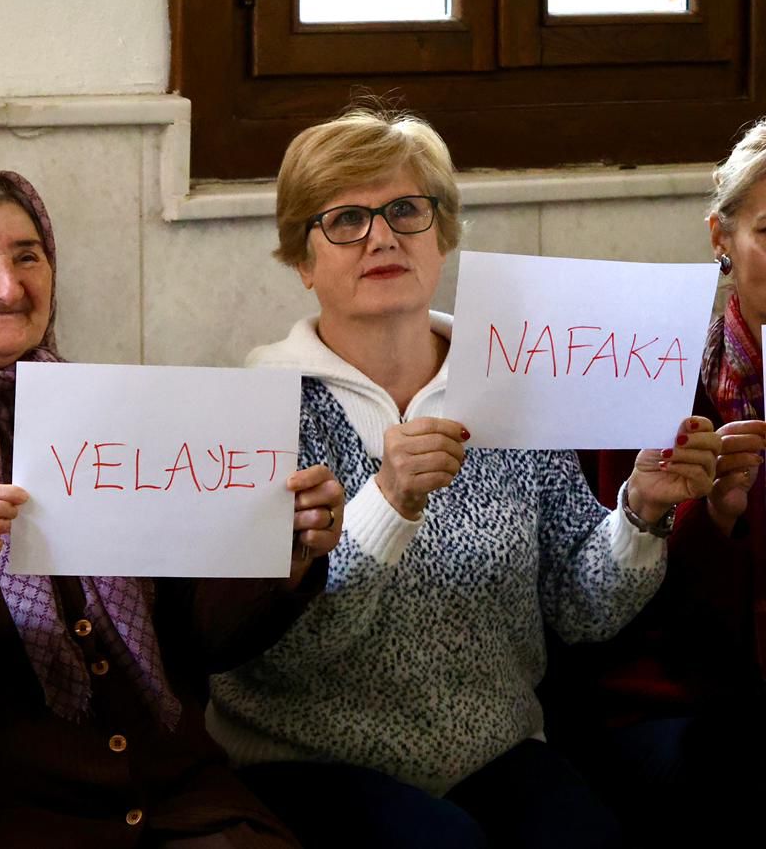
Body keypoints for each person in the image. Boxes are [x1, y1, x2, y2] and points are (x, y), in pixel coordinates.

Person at [205, 106, 719, 849]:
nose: (381, 236)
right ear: (302, 259)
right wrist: (386, 505)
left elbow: (581, 612)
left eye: (406, 210)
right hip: (305, 760)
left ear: (441, 234)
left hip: (496, 750)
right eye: (346, 218)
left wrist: (639, 513)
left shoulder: (511, 381)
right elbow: (270, 655)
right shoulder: (260, 409)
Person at [0, 169, 341, 848]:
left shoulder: (110, 413)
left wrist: (282, 555)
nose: (9, 283)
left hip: (178, 797)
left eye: (28, 255)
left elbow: (202, 641)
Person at [551, 122, 766, 845]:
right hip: (675, 696)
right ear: (721, 240)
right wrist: (717, 518)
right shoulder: (647, 374)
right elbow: (602, 608)